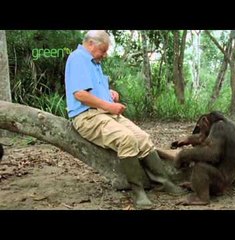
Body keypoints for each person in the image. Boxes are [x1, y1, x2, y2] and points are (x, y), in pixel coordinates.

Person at [64, 30, 184, 209]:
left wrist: (109, 93)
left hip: (104, 114)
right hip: (87, 117)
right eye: (102, 51)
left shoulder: (93, 62)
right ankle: (138, 191)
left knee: (143, 138)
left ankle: (162, 182)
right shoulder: (77, 58)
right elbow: (80, 94)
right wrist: (109, 106)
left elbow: (92, 89)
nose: (104, 55)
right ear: (90, 44)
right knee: (126, 139)